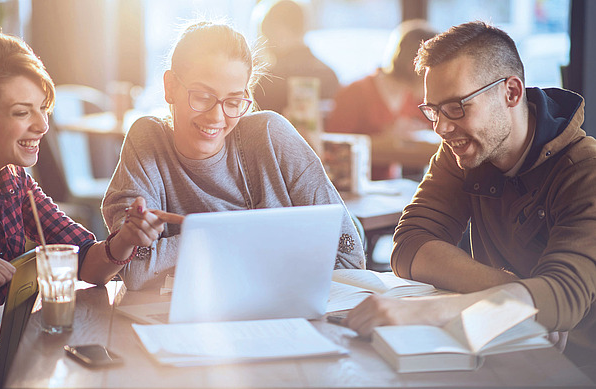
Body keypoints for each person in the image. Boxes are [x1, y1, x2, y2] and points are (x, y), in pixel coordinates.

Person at [0, 32, 176, 388]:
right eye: (22, 112)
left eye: (42, 109)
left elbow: (88, 263)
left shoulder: (16, 183)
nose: (42, 125)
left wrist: (126, 237)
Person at [342, 21, 596, 379]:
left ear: (511, 92)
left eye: (457, 107)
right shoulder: (463, 152)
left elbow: (564, 296)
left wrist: (433, 311)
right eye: (433, 110)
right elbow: (410, 245)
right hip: (494, 347)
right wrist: (513, 291)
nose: (441, 128)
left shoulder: (585, 170)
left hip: (572, 367)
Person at [101, 20, 365, 291]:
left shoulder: (272, 136)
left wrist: (194, 242)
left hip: (285, 312)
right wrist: (244, 237)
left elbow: (348, 256)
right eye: (203, 96)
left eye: (233, 101)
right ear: (170, 87)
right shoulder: (148, 139)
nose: (217, 117)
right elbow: (133, 266)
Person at [326, 20, 437, 180]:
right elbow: (333, 149)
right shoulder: (355, 92)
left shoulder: (413, 98)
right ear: (413, 66)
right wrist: (385, 138)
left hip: (391, 186)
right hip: (356, 186)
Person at [253, 0, 340, 114]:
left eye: (266, 35)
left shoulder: (268, 82)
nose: (265, 45)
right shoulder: (329, 75)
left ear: (280, 31)